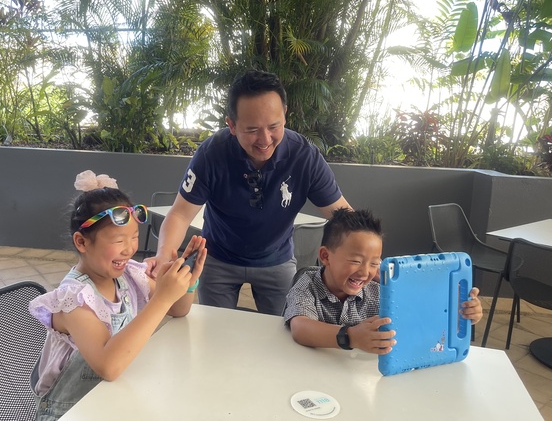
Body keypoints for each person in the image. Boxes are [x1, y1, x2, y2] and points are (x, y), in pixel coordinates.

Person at [146, 69, 351, 315]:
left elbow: (342, 216)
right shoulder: (211, 154)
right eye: (252, 130)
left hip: (278, 259)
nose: (265, 140)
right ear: (231, 125)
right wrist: (163, 255)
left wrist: (368, 256)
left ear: (285, 114)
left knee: (284, 327)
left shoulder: (304, 156)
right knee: (215, 328)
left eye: (274, 126)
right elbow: (180, 214)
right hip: (218, 258)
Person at [29, 170, 206, 420]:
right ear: (82, 242)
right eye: (118, 240)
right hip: (71, 410)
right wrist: (162, 298)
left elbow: (178, 310)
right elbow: (108, 366)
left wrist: (186, 280)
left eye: (134, 237)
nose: (129, 249)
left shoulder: (128, 276)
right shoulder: (73, 299)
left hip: (113, 397)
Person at [283, 208, 483, 353]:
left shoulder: (379, 293)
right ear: (325, 256)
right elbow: (301, 328)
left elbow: (421, 315)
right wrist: (351, 336)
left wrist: (461, 312)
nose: (365, 272)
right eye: (356, 261)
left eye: (374, 263)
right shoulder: (307, 284)